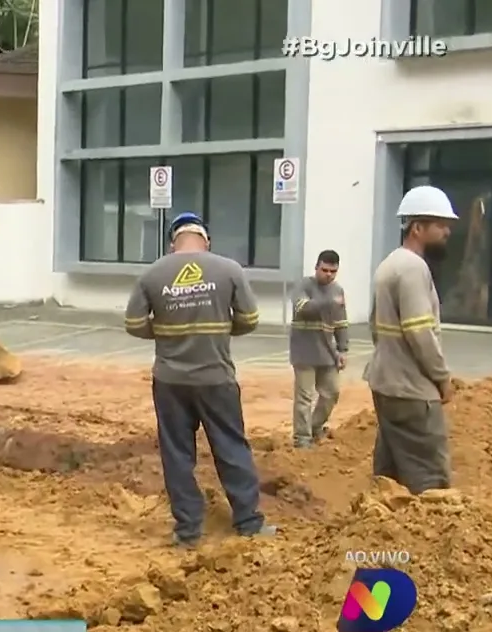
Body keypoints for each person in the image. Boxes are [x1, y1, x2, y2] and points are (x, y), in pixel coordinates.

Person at [124, 212, 275, 547]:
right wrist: (218, 329)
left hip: (170, 380)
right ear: (206, 240)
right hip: (216, 377)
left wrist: (166, 333)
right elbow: (249, 319)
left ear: (172, 242)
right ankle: (248, 522)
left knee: (177, 455)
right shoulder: (228, 269)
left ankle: (188, 531)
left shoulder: (152, 274)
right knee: (231, 447)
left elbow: (133, 324)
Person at [366, 185, 456, 493]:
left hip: (387, 383)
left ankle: (380, 529)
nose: (447, 231)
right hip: (412, 391)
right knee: (431, 477)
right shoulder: (413, 268)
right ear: (417, 228)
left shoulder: (390, 263)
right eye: (441, 225)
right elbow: (420, 331)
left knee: (389, 474)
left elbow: (375, 326)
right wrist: (442, 378)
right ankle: (429, 539)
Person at [289, 250, 349, 448]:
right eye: (325, 270)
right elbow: (303, 308)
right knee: (304, 398)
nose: (329, 275)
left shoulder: (337, 290)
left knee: (331, 392)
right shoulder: (303, 286)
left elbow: (341, 324)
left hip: (327, 352)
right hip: (304, 352)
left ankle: (314, 427)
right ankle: (302, 439)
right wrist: (329, 302)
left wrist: (343, 350)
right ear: (316, 267)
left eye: (333, 271)